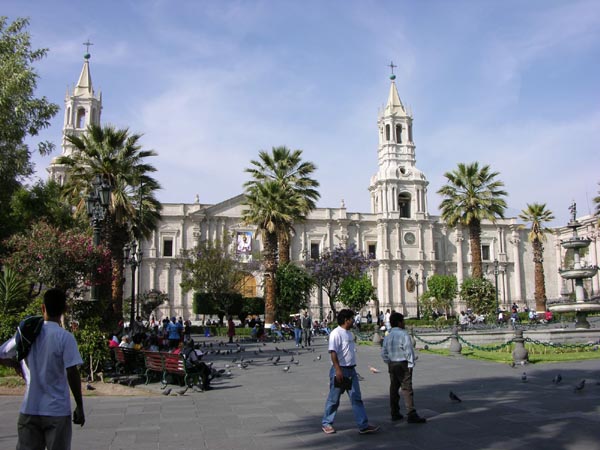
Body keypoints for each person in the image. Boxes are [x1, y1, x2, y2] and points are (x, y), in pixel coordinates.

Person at [0, 288, 85, 449]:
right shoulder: (65, 338)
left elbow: (2, 353)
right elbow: (72, 371)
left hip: (30, 409)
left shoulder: (28, 334)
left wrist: (16, 364)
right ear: (64, 309)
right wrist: (79, 405)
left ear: (43, 308)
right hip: (57, 411)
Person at [321, 309, 379, 435]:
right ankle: (326, 423)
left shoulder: (349, 333)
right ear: (346, 320)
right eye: (352, 319)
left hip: (351, 370)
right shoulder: (336, 333)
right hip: (340, 370)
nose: (353, 321)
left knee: (356, 398)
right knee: (334, 399)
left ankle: (363, 425)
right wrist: (337, 370)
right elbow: (333, 352)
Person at [381, 312, 427, 424]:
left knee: (394, 389)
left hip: (392, 364)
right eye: (403, 321)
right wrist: (411, 364)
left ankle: (394, 413)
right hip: (403, 364)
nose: (404, 323)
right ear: (399, 323)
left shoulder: (388, 335)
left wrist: (388, 361)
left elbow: (383, 353)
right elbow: (408, 350)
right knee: (407, 388)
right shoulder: (403, 334)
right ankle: (411, 413)